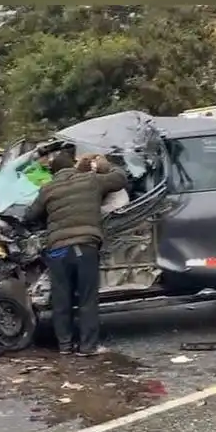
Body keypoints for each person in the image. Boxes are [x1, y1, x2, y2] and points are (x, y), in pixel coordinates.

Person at [24, 151, 126, 357]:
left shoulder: (47, 188)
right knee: (87, 298)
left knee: (62, 299)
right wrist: (106, 164)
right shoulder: (91, 180)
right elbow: (120, 179)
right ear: (72, 165)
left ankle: (65, 346)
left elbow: (29, 217)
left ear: (52, 173)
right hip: (84, 246)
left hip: (57, 250)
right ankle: (88, 347)